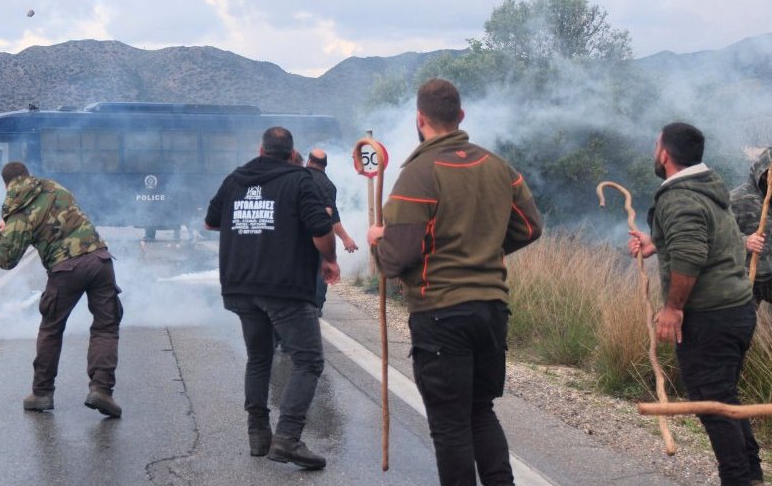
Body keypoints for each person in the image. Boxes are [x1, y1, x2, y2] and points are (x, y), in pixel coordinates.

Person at [367, 78, 543, 486]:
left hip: (441, 315)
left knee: (450, 425)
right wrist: (485, 250)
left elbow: (397, 258)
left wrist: (378, 241)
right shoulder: (499, 167)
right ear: (461, 116)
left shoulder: (419, 173)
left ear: (419, 119)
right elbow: (530, 227)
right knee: (480, 411)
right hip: (491, 312)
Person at [628, 122, 763, 486]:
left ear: (665, 154)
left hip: (710, 318)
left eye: (656, 146)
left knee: (712, 405)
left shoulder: (679, 197)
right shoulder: (706, 187)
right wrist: (658, 242)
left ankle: (738, 479)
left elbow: (690, 255)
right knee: (723, 398)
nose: (655, 152)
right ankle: (752, 475)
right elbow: (709, 238)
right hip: (737, 311)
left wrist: (672, 308)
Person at [205, 126, 339, 470]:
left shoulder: (235, 179)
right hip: (284, 287)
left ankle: (258, 434)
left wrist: (249, 222)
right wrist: (330, 259)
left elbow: (212, 222)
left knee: (259, 359)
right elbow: (321, 229)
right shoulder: (299, 180)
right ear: (292, 154)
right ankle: (288, 438)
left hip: (240, 285)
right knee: (308, 361)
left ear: (261, 151)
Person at [0, 161, 123, 418]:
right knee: (106, 327)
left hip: (66, 268)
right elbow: (48, 214)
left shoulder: (18, 210)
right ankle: (102, 389)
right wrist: (8, 224)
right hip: (100, 259)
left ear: (5, 184)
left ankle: (42, 393)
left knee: (51, 329)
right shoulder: (54, 186)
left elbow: (6, 259)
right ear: (27, 175)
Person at [730, 147, 772, 307]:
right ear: (765, 175)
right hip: (742, 275)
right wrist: (745, 242)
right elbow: (715, 236)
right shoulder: (736, 200)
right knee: (745, 320)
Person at [304, 149, 358, 312]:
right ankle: (316, 305)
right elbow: (331, 217)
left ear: (308, 161)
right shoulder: (328, 186)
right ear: (325, 165)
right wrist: (346, 239)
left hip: (294, 234)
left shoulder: (296, 177)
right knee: (321, 267)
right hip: (318, 234)